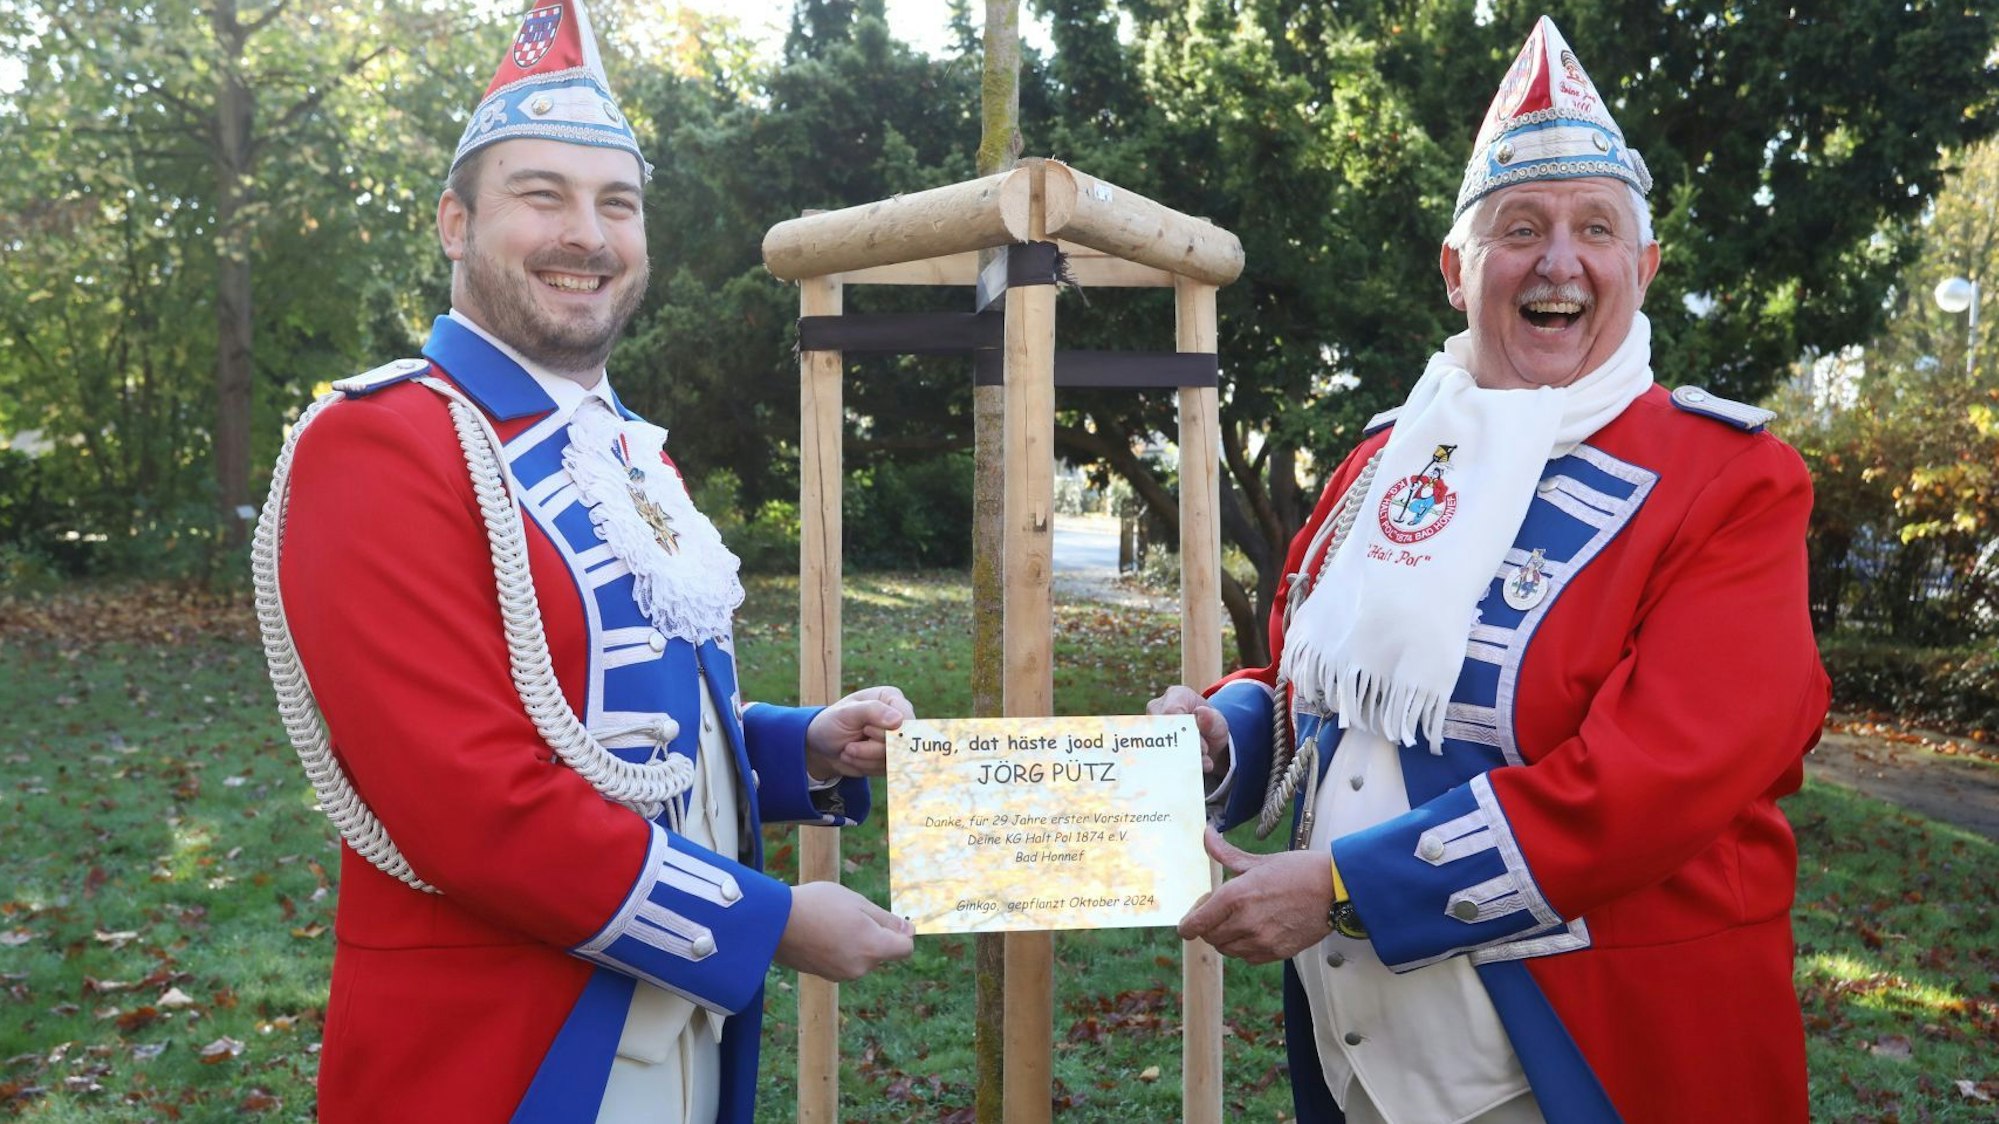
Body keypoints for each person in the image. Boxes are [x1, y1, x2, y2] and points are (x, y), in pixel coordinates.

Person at [1152, 17, 1828, 1124]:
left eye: (1594, 229)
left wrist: (1344, 888)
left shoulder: (1731, 481)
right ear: (1457, 269)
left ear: (1642, 267)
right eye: (1521, 228)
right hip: (1356, 1046)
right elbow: (1321, 679)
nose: (1559, 260)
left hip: (1584, 1055)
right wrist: (1231, 726)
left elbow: (1653, 779)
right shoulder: (1387, 455)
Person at [251, 4, 914, 1119]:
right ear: (455, 223)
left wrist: (801, 746)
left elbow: (625, 733)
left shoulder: (625, 451)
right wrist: (766, 922)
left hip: (682, 1040)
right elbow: (470, 803)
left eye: (618, 203)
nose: (589, 235)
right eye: (541, 195)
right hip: (504, 1057)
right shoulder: (383, 439)